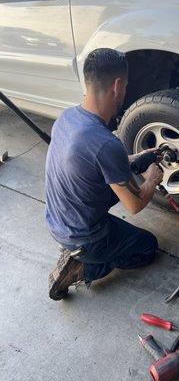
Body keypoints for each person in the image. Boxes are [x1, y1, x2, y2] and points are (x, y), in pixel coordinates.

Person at [46, 48, 163, 300]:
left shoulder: (67, 117)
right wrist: (152, 179)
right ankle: (83, 266)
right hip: (85, 236)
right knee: (147, 248)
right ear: (118, 86)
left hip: (59, 220)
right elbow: (134, 205)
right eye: (126, 85)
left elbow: (96, 163)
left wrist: (138, 158)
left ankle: (79, 252)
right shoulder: (105, 144)